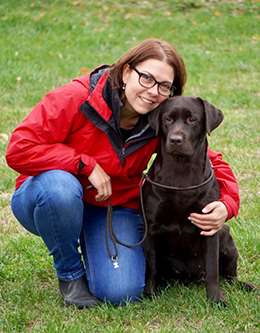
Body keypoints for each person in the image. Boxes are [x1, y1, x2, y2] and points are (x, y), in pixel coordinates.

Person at [5, 38, 239, 309]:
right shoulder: (76, 98)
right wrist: (85, 164)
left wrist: (227, 205)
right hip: (48, 200)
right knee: (61, 188)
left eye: (164, 86)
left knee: (121, 292)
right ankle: (70, 274)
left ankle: (93, 246)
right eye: (147, 78)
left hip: (109, 209)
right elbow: (19, 149)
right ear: (126, 71)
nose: (153, 91)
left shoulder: (159, 120)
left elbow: (210, 161)